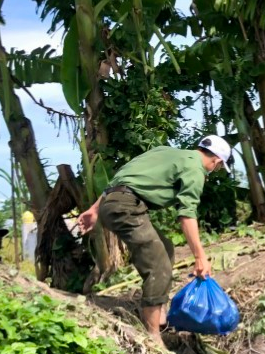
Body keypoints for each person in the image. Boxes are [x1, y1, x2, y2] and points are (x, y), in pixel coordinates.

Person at [76, 136, 232, 343]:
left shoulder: (164, 152)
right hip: (127, 207)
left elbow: (121, 179)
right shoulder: (196, 169)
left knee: (165, 248)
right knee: (159, 266)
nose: (214, 171)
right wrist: (200, 257)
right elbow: (186, 214)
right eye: (219, 168)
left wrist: (95, 209)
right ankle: (153, 337)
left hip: (112, 203)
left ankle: (160, 316)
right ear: (216, 161)